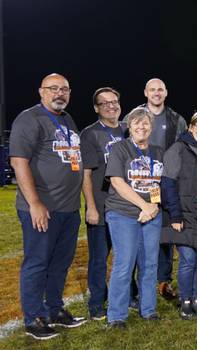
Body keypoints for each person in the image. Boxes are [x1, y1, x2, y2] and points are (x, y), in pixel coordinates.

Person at [10, 73, 87, 340]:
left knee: (60, 263)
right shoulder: (29, 118)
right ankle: (35, 317)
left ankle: (54, 309)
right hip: (43, 207)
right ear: (41, 91)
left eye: (64, 89)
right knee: (37, 263)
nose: (59, 93)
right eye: (53, 88)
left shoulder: (68, 120)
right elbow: (19, 162)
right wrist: (35, 203)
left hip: (68, 209)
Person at [104, 107, 164, 328]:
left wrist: (154, 206)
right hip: (123, 213)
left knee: (150, 263)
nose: (142, 127)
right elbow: (117, 182)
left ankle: (148, 309)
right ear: (129, 126)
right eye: (137, 123)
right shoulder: (120, 148)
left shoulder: (158, 151)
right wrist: (144, 206)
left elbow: (158, 184)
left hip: (152, 213)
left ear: (151, 127)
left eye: (146, 123)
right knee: (124, 263)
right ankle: (117, 315)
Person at [128, 78, 187, 299]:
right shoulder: (132, 117)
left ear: (166, 92)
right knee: (136, 234)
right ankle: (134, 286)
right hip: (139, 181)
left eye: (160, 89)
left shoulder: (176, 119)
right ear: (145, 92)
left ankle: (164, 281)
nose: (156, 93)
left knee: (165, 233)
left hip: (165, 181)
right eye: (152, 89)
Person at [161, 112, 197, 319]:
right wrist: (175, 215)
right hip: (185, 213)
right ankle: (185, 301)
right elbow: (167, 184)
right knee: (188, 260)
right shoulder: (178, 149)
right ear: (191, 128)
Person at [80, 87, 127, 320]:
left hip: (126, 205)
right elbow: (86, 174)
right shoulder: (90, 134)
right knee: (99, 258)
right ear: (96, 108)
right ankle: (97, 303)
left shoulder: (128, 129)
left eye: (115, 101)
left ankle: (129, 296)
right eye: (105, 103)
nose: (111, 106)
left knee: (128, 255)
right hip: (102, 203)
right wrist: (90, 206)